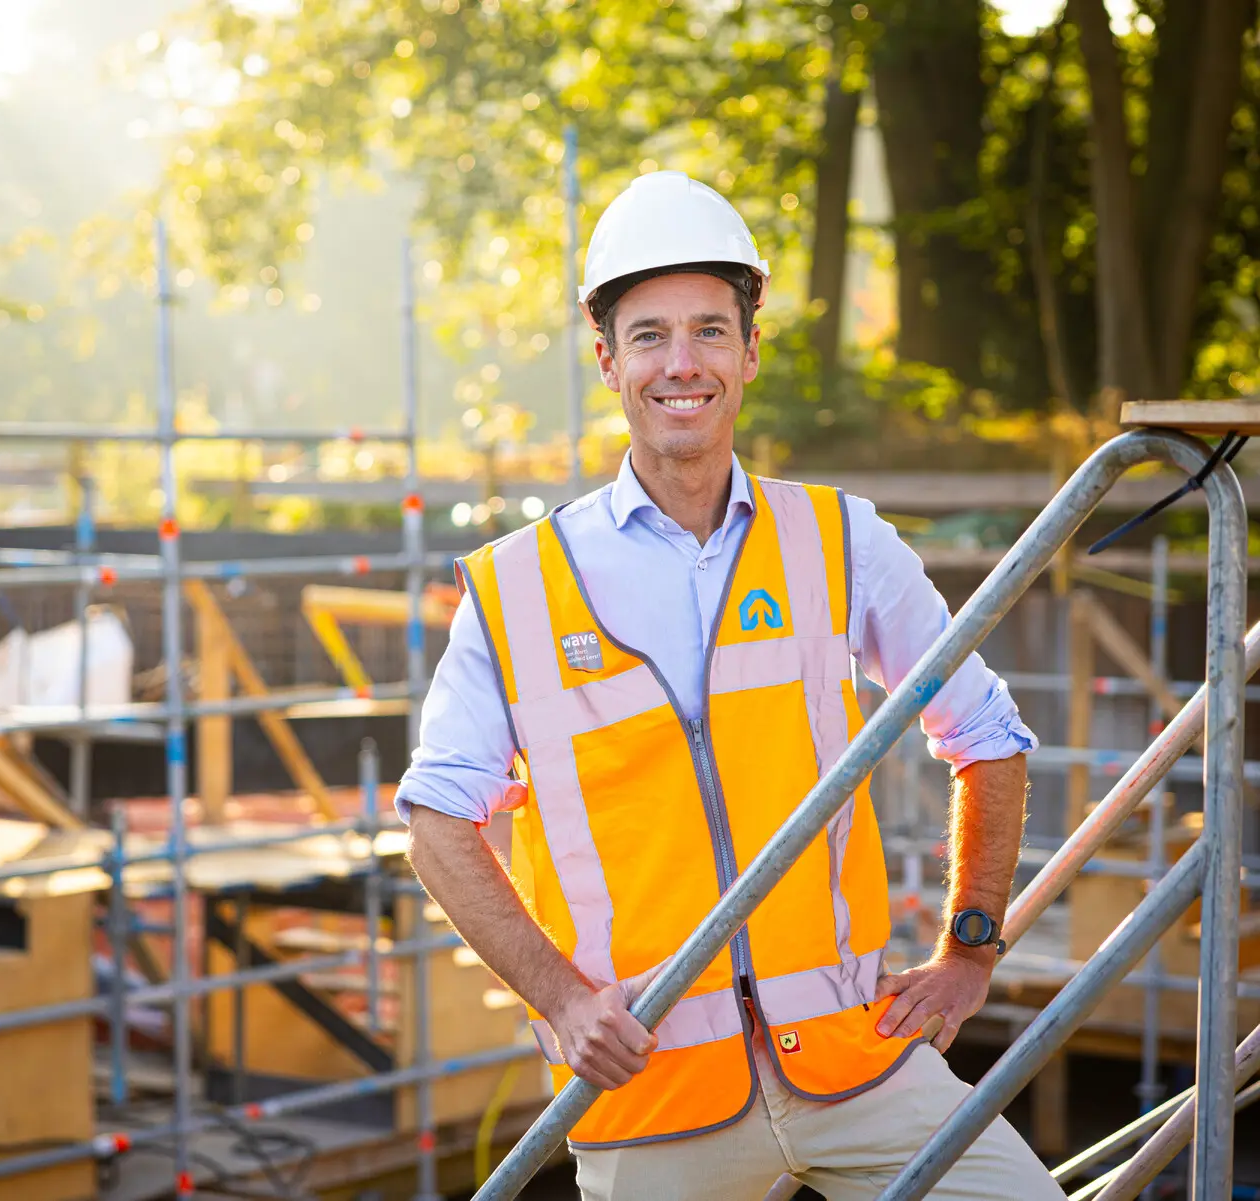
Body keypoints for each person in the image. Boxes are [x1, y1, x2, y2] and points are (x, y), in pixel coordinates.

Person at [397, 170, 1065, 1200]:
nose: (683, 363)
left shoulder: (842, 541)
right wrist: (566, 1004)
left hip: (859, 1066)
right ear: (608, 357)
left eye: (711, 330)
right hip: (656, 1102)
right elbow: (438, 816)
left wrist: (970, 945)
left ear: (750, 353)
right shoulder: (517, 587)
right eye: (652, 334)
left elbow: (987, 729)